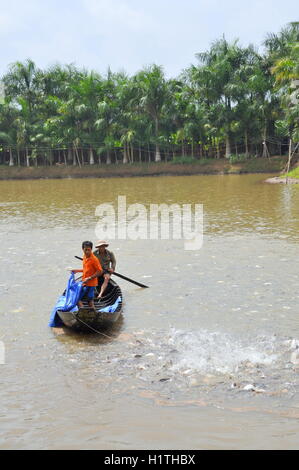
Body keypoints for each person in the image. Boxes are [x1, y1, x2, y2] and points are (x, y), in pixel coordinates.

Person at [72, 241, 103, 309]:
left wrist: (89, 278)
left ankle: (85, 310)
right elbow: (86, 269)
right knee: (83, 299)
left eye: (89, 250)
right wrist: (77, 270)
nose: (87, 251)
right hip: (84, 282)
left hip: (91, 283)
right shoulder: (84, 257)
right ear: (82, 249)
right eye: (85, 249)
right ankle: (85, 311)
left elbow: (100, 271)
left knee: (80, 298)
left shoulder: (94, 259)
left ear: (91, 249)